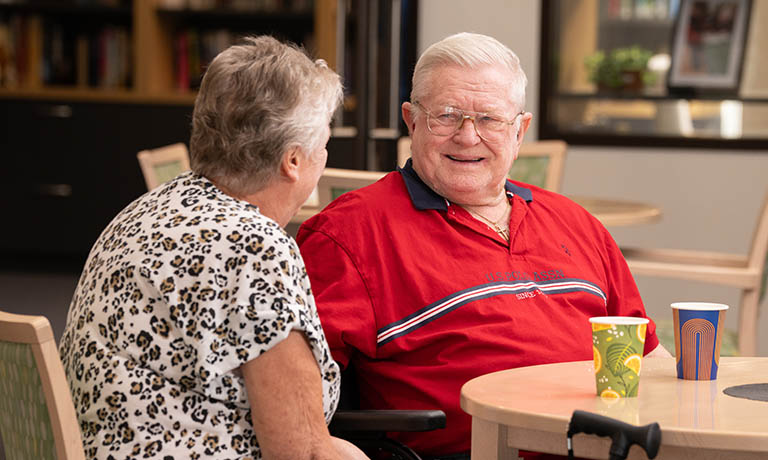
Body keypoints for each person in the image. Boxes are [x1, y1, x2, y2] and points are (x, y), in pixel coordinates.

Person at [296, 32, 671, 460]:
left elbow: (650, 358)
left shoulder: (576, 222)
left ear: (520, 131)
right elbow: (293, 407)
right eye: (447, 116)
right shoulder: (347, 234)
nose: (468, 136)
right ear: (412, 120)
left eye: (489, 119)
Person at [59, 36, 367, 460]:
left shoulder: (146, 208)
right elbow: (303, 453)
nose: (326, 154)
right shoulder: (254, 248)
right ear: (293, 161)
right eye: (324, 143)